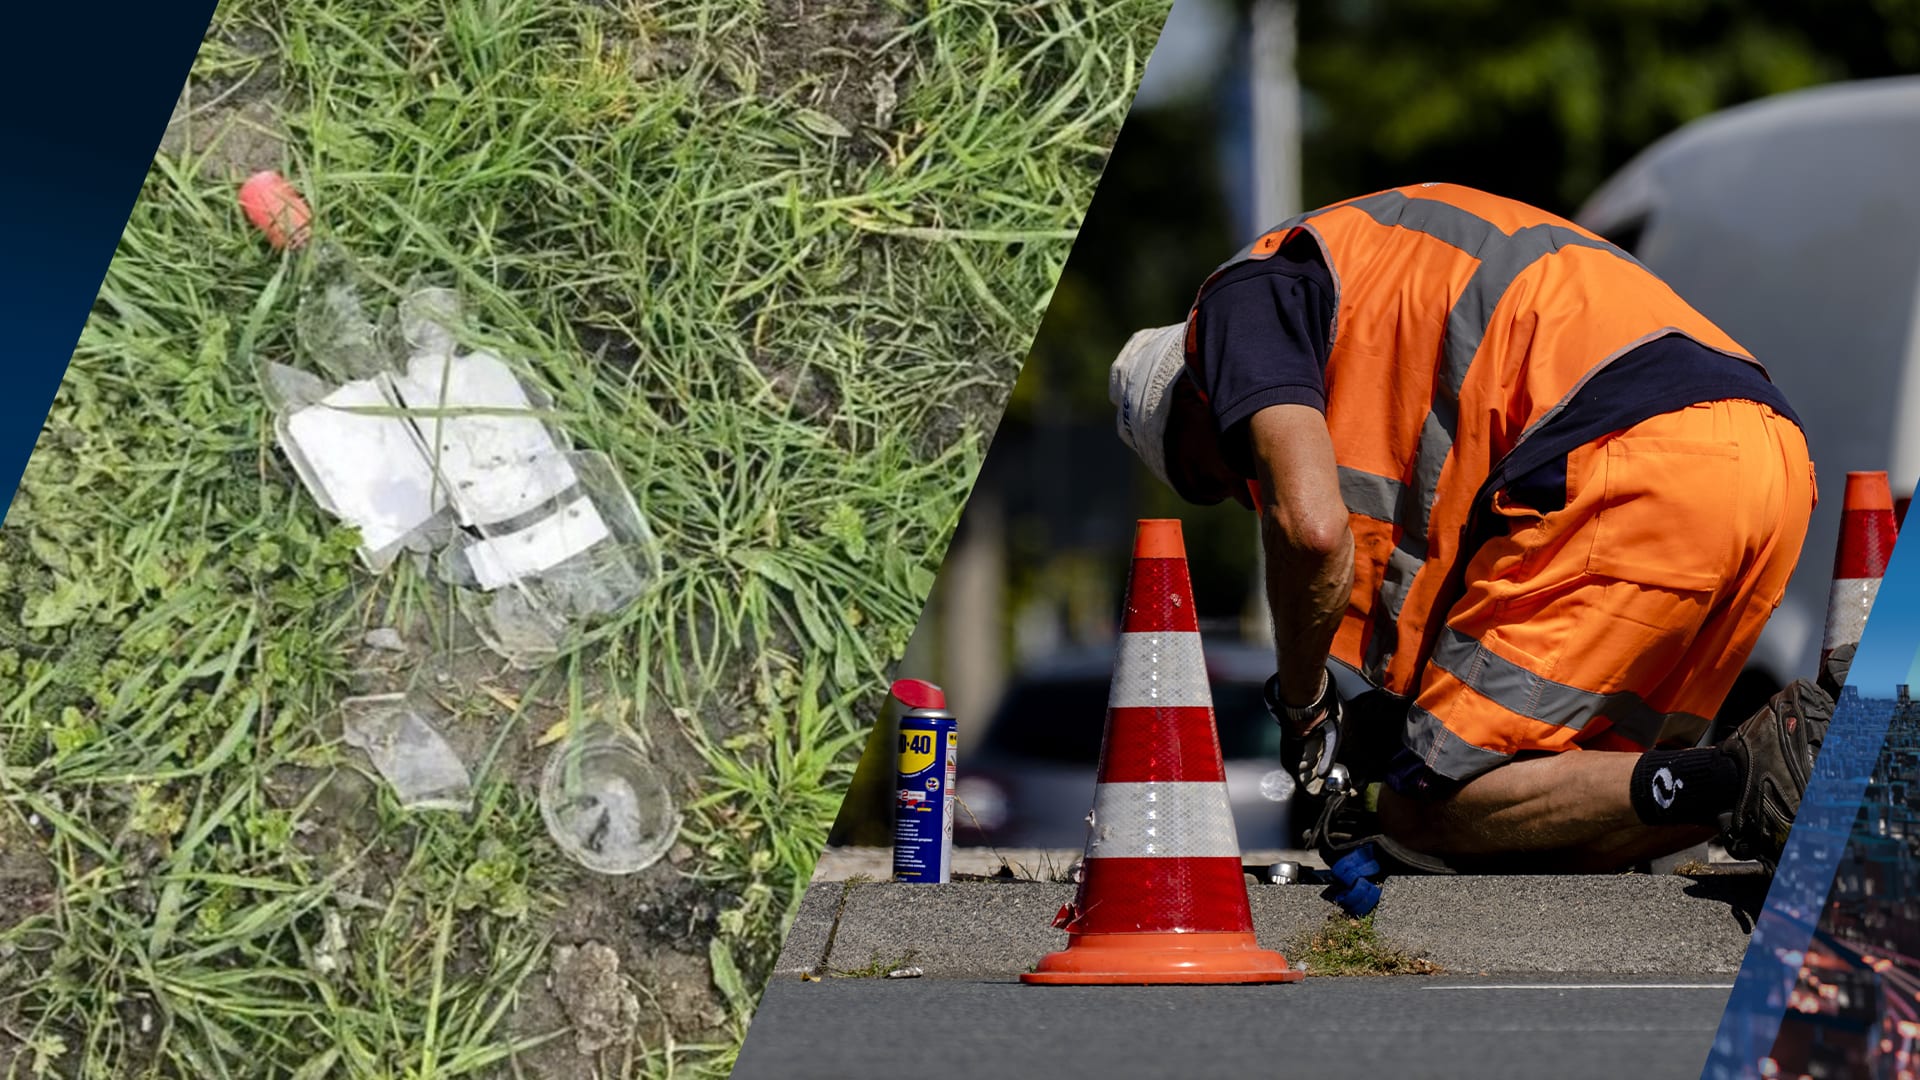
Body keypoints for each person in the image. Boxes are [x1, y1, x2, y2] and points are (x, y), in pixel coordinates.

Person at [1108, 182, 1831, 873]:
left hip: (1630, 454)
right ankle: (1798, 774)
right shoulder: (1370, 285)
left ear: (1200, 396)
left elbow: (1312, 532)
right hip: (1767, 457)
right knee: (1574, 818)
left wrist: (1303, 706)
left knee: (1424, 809)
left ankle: (1751, 775)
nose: (1239, 495)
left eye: (1205, 477)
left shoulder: (1240, 304)